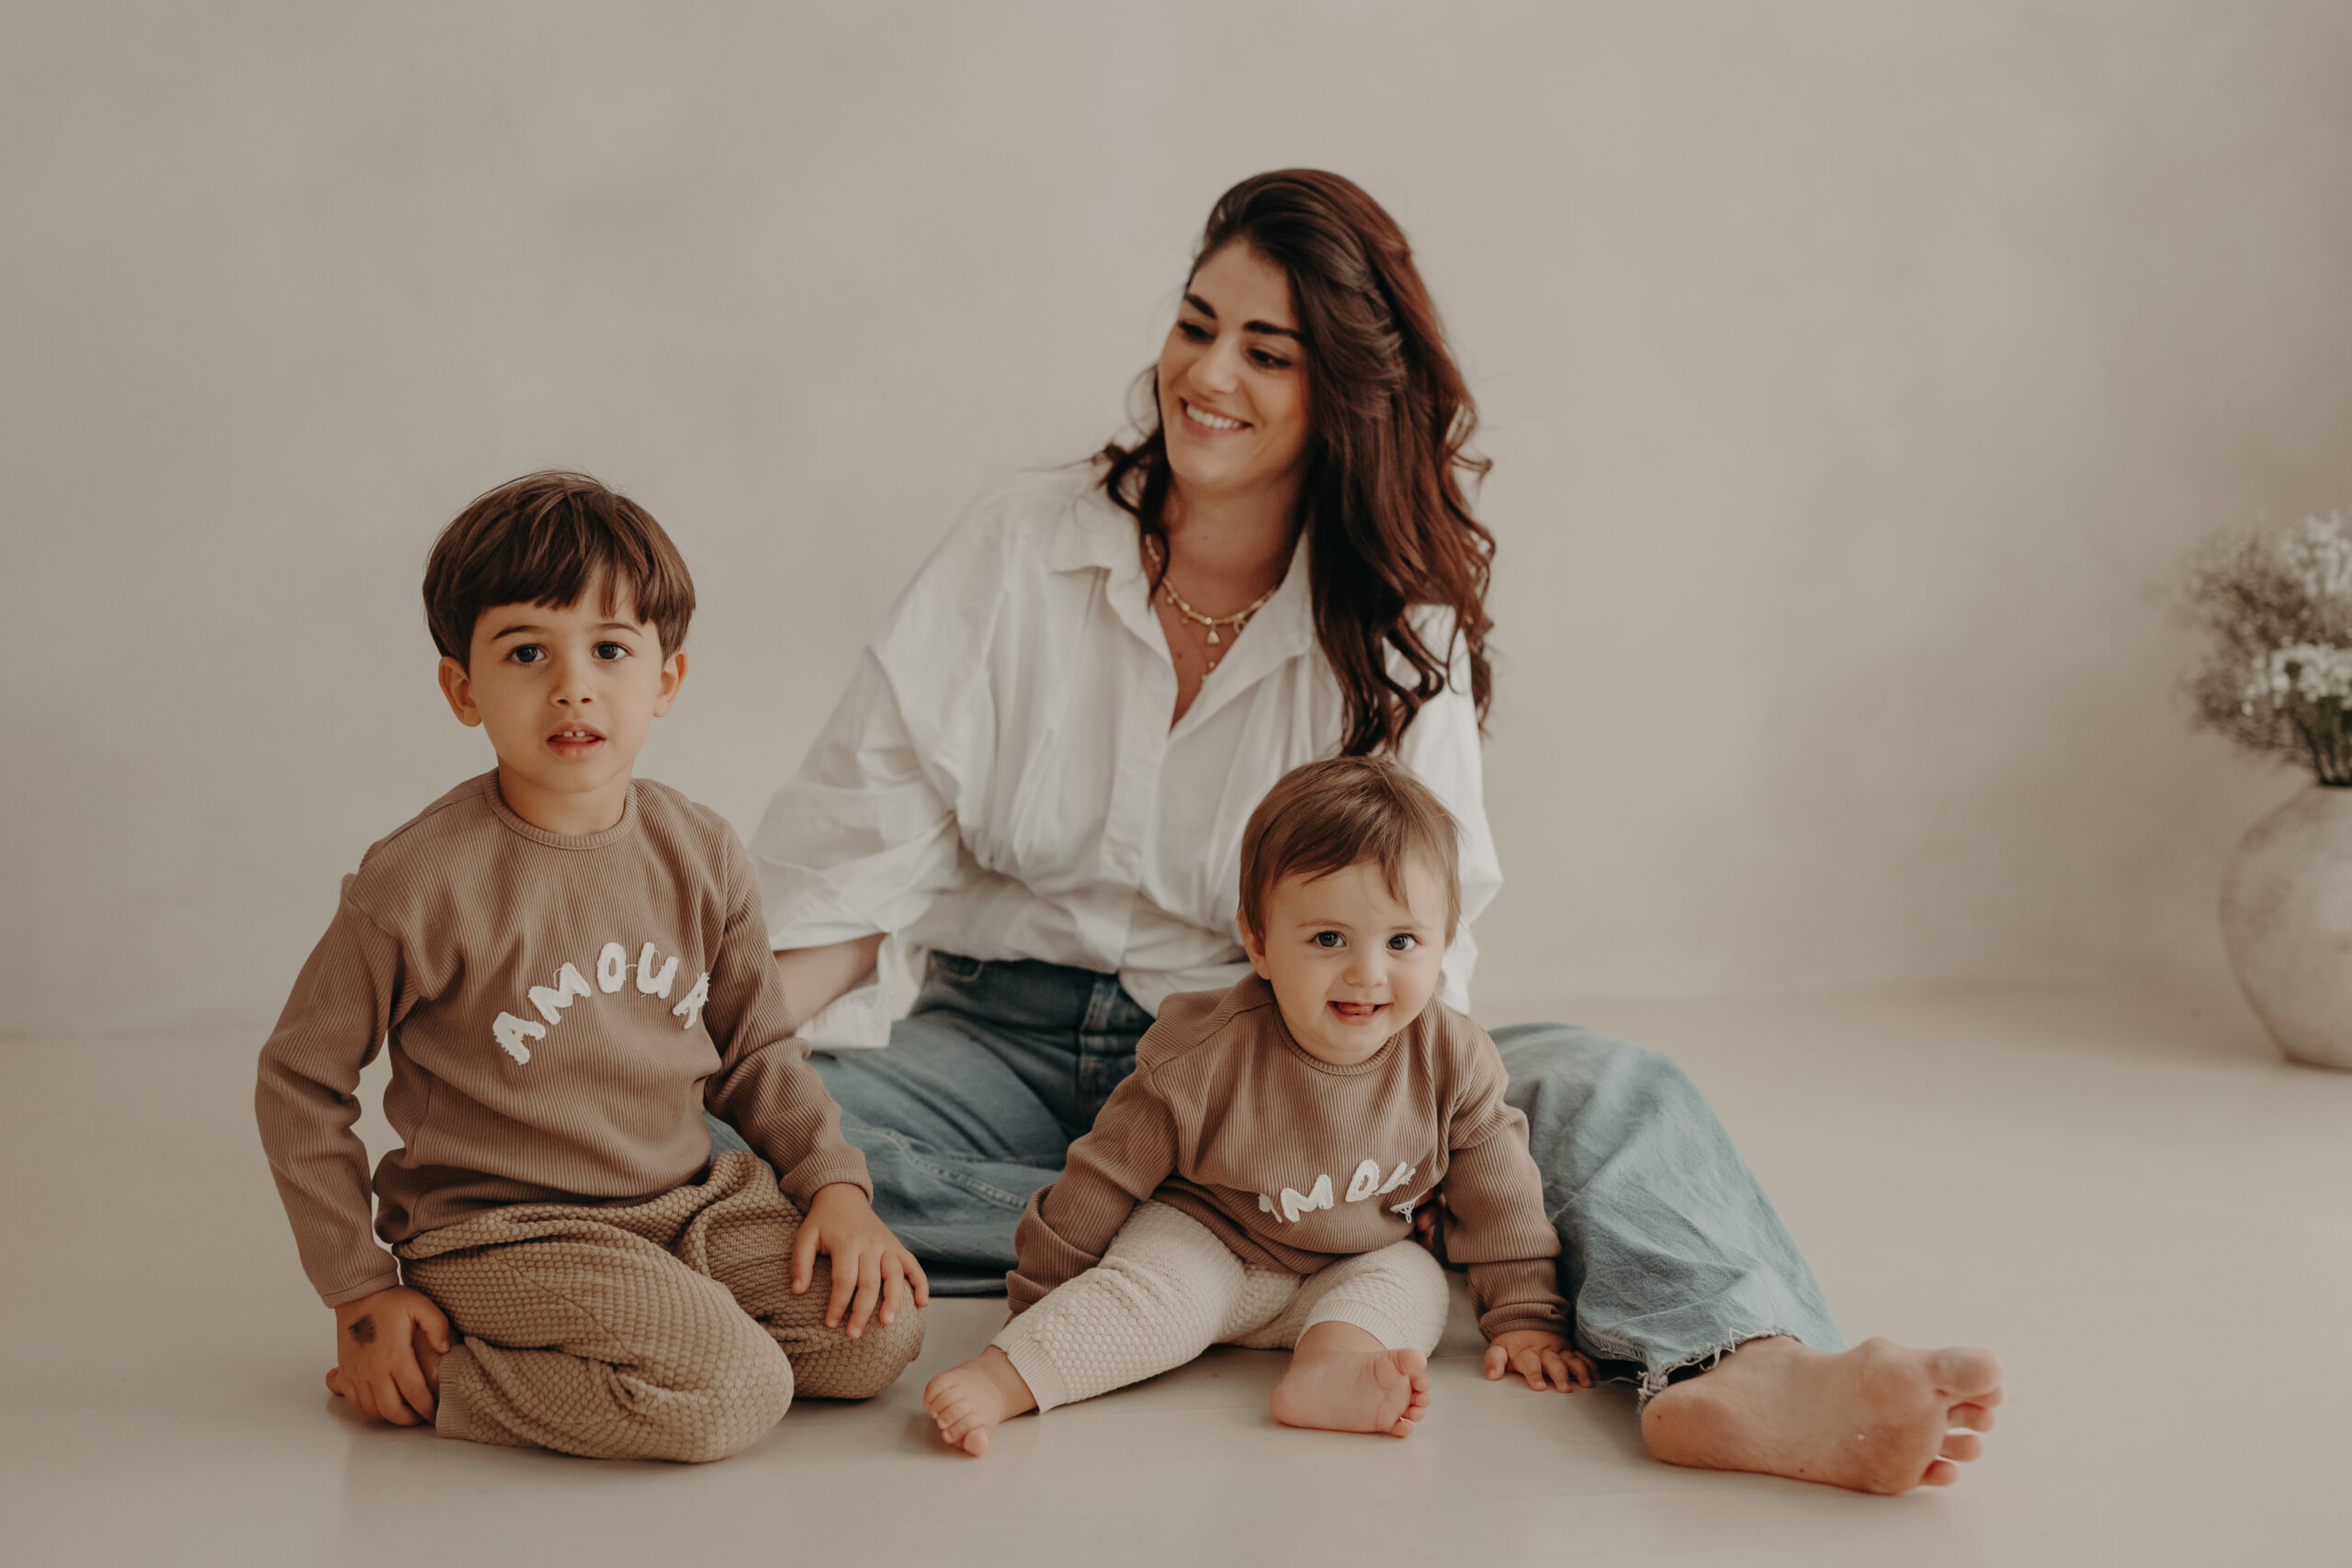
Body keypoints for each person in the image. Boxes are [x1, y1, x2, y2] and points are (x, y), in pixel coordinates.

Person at [743, 171, 2002, 1493]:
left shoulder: (1398, 630)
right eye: (1195, 324)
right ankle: (1261, 1241)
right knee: (709, 1138)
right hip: (997, 1046)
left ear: (1342, 390)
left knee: (1605, 1089)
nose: (1207, 373)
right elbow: (843, 881)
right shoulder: (1015, 549)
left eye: (1267, 351)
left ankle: (1737, 1363)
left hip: (1294, 1060)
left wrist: (1358, 1141)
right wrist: (702, 1064)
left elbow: (1416, 967)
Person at [254, 472, 927, 1462]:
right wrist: (358, 1291)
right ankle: (445, 1370)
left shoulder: (702, 851)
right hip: (506, 1232)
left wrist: (835, 1187)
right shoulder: (417, 881)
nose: (572, 685)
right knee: (731, 1393)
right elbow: (298, 1081)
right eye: (526, 651)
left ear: (666, 680)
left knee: (875, 1334)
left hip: (688, 1205)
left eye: (610, 650)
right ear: (462, 688)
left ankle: (665, 1319)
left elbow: (758, 1051)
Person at [922, 756, 1598, 1456]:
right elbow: (1103, 1175)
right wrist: (1045, 1300)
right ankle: (1003, 1379)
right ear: (1260, 942)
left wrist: (1525, 1315)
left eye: (1402, 941)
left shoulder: (1454, 1057)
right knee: (1150, 1295)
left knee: (1414, 1281)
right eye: (1329, 938)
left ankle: (1329, 1366)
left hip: (1346, 1261)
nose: (1368, 972)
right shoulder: (1204, 1053)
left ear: (1444, 943)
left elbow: (1500, 1195)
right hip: (1208, 1241)